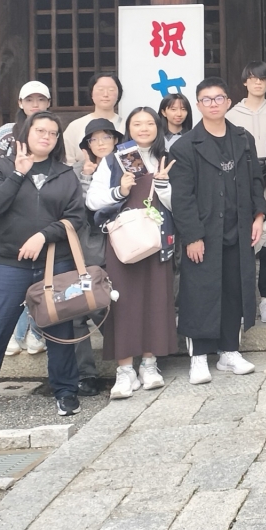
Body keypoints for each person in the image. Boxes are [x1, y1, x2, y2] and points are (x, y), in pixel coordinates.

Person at [0, 112, 88, 427]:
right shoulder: (0, 167)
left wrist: (43, 236)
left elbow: (76, 217)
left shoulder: (64, 173)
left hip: (56, 261)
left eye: (53, 133)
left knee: (60, 331)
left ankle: (66, 392)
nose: (46, 136)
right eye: (40, 130)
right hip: (9, 264)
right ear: (25, 133)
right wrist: (17, 174)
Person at [168, 78, 266, 384]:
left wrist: (259, 215)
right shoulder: (186, 146)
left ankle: (229, 352)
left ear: (228, 102)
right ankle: (198, 356)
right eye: (206, 99)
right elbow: (181, 197)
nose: (213, 104)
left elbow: (255, 181)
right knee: (199, 293)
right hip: (204, 231)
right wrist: (193, 236)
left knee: (233, 289)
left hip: (238, 227)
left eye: (218, 98)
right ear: (198, 105)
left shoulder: (242, 138)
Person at [86, 107, 180, 397]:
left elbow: (181, 202)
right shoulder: (115, 159)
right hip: (123, 242)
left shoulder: (166, 157)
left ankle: (150, 364)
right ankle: (125, 370)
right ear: (128, 128)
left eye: (149, 123)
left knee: (156, 298)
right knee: (123, 302)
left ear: (158, 126)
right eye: (136, 124)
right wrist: (120, 191)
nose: (143, 128)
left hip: (157, 238)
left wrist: (163, 186)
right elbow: (92, 200)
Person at [0, 79, 52, 359]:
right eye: (29, 100)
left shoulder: (50, 131)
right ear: (20, 104)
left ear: (48, 103)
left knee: (39, 272)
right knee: (7, 273)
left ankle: (36, 332)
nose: (35, 104)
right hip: (4, 209)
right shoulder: (7, 132)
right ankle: (12, 333)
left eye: (41, 100)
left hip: (38, 211)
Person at [71, 117, 124, 397]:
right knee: (82, 309)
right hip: (86, 249)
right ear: (87, 145)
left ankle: (125, 364)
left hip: (123, 246)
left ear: (116, 140)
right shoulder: (78, 170)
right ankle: (86, 374)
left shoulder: (126, 163)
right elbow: (77, 208)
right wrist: (86, 177)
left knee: (112, 309)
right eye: (95, 139)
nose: (101, 143)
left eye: (106, 137)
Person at [225, 62, 266, 325]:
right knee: (242, 245)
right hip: (242, 186)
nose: (257, 83)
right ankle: (242, 297)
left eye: (262, 79)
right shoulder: (232, 114)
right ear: (244, 83)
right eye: (252, 78)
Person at [63, 73, 125, 167]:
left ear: (119, 94)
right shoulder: (75, 126)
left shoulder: (127, 125)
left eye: (111, 90)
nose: (105, 94)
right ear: (91, 93)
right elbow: (67, 162)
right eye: (100, 90)